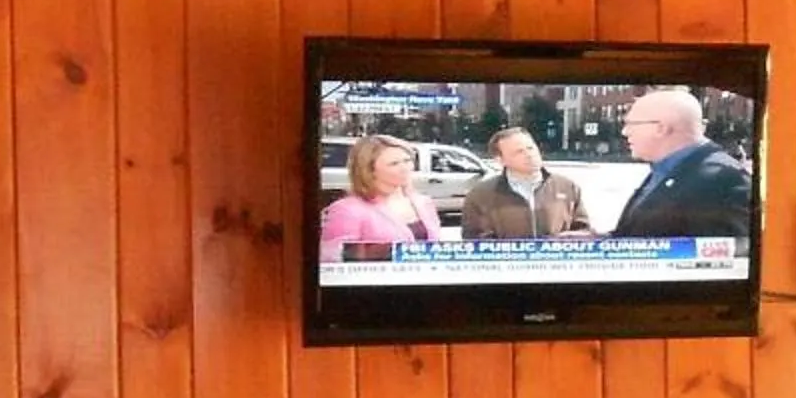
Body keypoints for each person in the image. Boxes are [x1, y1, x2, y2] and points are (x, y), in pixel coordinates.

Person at [609, 88, 754, 239]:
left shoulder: (723, 181)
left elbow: (729, 255)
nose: (624, 132)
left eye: (632, 124)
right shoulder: (667, 168)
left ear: (661, 128)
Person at [317, 134, 445, 259]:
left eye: (407, 160)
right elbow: (332, 258)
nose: (405, 168)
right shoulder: (346, 210)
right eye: (394, 164)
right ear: (370, 171)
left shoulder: (423, 202)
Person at [458, 127, 592, 238]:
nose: (529, 154)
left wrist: (566, 240)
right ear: (501, 160)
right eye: (519, 152)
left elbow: (584, 231)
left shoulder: (567, 187)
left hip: (556, 266)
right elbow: (474, 242)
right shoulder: (480, 195)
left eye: (531, 148)